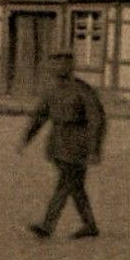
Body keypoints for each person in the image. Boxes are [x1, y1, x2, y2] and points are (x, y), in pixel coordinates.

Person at [22, 48, 106, 239]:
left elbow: (96, 119)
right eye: (54, 63)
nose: (57, 67)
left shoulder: (82, 90)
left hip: (78, 144)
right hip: (58, 143)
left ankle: (47, 226)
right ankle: (90, 225)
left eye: (62, 63)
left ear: (70, 66)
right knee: (76, 187)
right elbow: (40, 116)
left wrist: (94, 148)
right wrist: (27, 138)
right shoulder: (51, 90)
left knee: (65, 183)